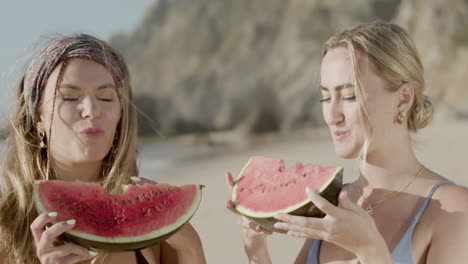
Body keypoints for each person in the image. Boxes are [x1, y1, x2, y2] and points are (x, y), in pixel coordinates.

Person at [226, 20, 468, 263]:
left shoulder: (455, 208)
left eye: (349, 96)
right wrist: (256, 251)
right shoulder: (331, 203)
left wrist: (371, 251)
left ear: (403, 99)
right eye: (325, 98)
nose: (332, 116)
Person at [0, 34, 206, 264]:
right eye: (69, 97)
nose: (91, 110)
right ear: (37, 116)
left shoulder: (155, 233)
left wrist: (191, 249)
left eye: (106, 98)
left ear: (120, 115)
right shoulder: (5, 233)